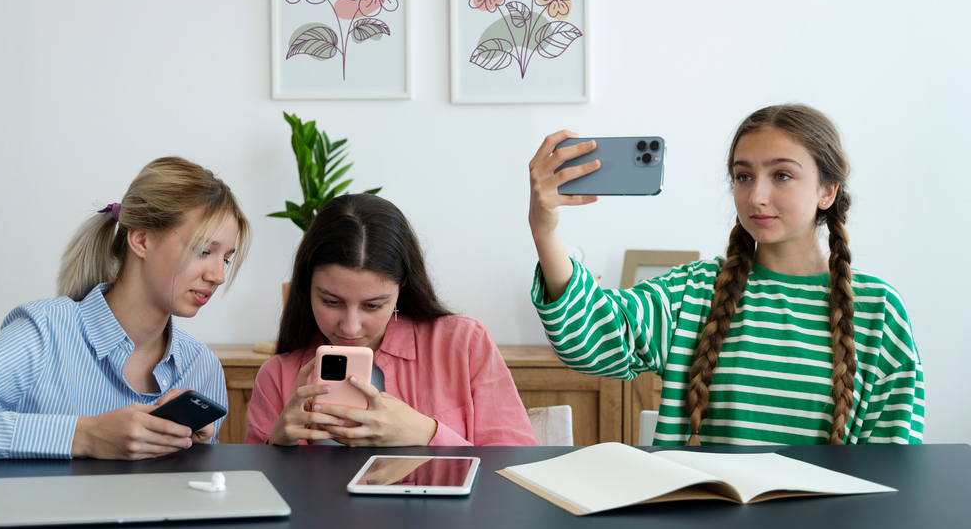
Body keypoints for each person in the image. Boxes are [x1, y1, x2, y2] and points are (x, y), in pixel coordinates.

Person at [528, 104, 923, 446]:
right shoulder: (695, 293)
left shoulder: (878, 312)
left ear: (827, 191)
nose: (756, 196)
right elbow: (589, 337)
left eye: (781, 175)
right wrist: (544, 230)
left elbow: (893, 467)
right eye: (743, 176)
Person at [0, 157, 251, 459]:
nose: (218, 276)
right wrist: (85, 436)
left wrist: (195, 452)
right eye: (203, 251)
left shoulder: (202, 366)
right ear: (142, 240)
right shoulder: (44, 333)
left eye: (225, 258)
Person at [246, 193, 537, 447]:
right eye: (331, 302)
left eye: (373, 305)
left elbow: (515, 467)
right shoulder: (276, 377)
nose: (350, 327)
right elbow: (258, 500)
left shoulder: (463, 344)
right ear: (306, 287)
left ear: (402, 288)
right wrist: (278, 446)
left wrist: (426, 432)